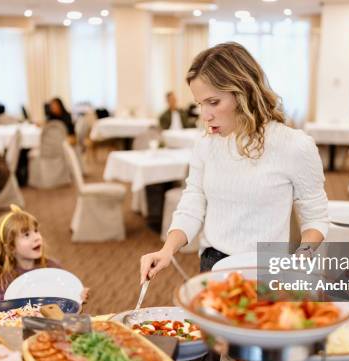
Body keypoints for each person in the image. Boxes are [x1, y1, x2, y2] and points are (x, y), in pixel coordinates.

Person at [140, 42, 329, 282]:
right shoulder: (206, 144)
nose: (205, 115)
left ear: (243, 92)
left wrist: (300, 260)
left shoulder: (294, 145)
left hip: (267, 268)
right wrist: (167, 250)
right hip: (212, 264)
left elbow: (316, 218)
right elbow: (193, 202)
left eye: (214, 102)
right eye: (200, 104)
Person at [0, 205, 59, 301]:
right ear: (11, 247)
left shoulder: (51, 266)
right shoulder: (3, 280)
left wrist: (77, 294)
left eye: (36, 231)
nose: (37, 237)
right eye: (26, 235)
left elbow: (66, 289)